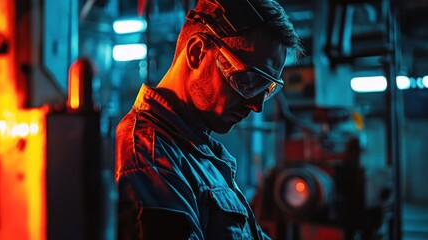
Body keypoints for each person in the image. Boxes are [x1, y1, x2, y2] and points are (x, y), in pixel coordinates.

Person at [115, 0, 303, 239]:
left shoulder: (199, 156)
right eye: (248, 81)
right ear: (197, 53)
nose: (256, 106)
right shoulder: (150, 157)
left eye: (266, 89)